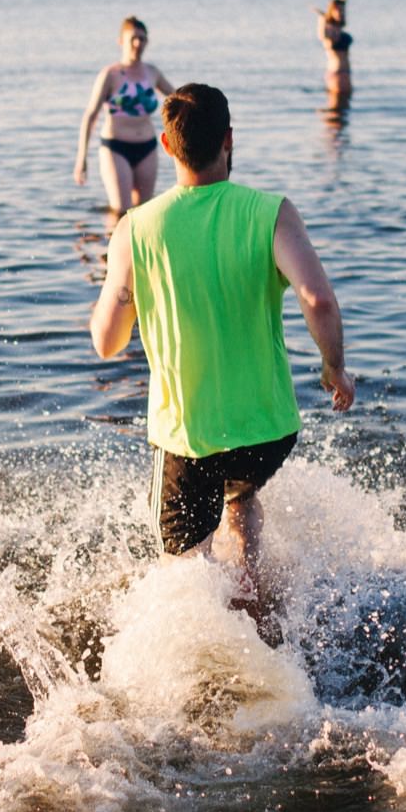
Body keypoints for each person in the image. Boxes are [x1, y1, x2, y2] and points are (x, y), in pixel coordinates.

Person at [88, 84, 353, 643]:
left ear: (165, 144)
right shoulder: (270, 212)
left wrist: (125, 294)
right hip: (269, 433)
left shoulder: (137, 228)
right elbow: (319, 298)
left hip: (190, 435)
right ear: (229, 140)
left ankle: (210, 649)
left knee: (183, 574)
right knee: (239, 488)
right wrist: (334, 368)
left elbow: (107, 343)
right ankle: (256, 602)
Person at [72, 17, 176, 218]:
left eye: (143, 39)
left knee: (144, 213)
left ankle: (140, 250)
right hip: (116, 147)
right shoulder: (110, 75)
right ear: (121, 41)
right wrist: (81, 158)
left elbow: (177, 99)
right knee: (121, 211)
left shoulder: (151, 73)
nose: (138, 44)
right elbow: (90, 116)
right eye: (133, 38)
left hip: (147, 147)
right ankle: (111, 247)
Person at [314, 0, 352, 106]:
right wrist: (321, 19)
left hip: (344, 73)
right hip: (337, 74)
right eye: (338, 10)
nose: (341, 13)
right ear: (332, 11)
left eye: (342, 10)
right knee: (337, 114)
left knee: (344, 110)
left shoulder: (338, 27)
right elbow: (322, 36)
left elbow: (342, 3)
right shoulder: (329, 30)